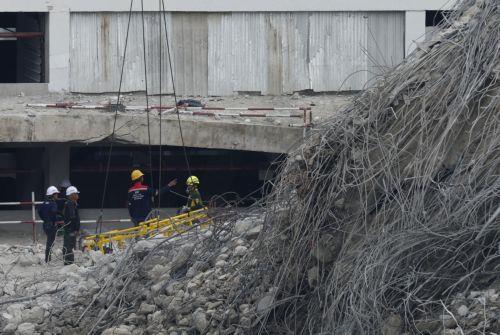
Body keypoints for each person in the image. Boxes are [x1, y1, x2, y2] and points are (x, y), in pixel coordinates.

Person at [38, 186, 61, 263]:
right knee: (50, 242)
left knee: (49, 241)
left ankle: (48, 258)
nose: (57, 195)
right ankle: (47, 259)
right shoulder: (53, 203)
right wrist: (57, 218)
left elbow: (39, 211)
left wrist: (44, 219)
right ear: (52, 194)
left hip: (45, 224)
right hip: (51, 225)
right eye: (56, 194)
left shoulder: (44, 202)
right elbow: (54, 212)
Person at [62, 186, 81, 265]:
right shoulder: (70, 204)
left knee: (70, 245)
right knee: (68, 246)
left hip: (71, 229)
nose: (77, 195)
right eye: (76, 193)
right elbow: (72, 217)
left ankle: (69, 262)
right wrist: (75, 229)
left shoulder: (72, 203)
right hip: (70, 229)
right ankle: (69, 263)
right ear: (71, 195)